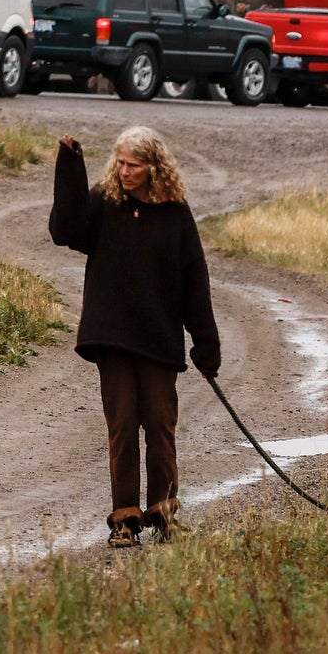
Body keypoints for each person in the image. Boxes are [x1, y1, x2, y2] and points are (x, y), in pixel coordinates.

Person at [49, 125, 220, 548]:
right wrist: (70, 167)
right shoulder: (104, 204)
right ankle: (124, 520)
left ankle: (164, 513)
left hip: (159, 338)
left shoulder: (175, 213)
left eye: (134, 165)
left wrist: (206, 341)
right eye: (120, 162)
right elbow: (64, 230)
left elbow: (194, 280)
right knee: (122, 426)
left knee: (160, 427)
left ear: (154, 167)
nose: (124, 171)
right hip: (113, 337)